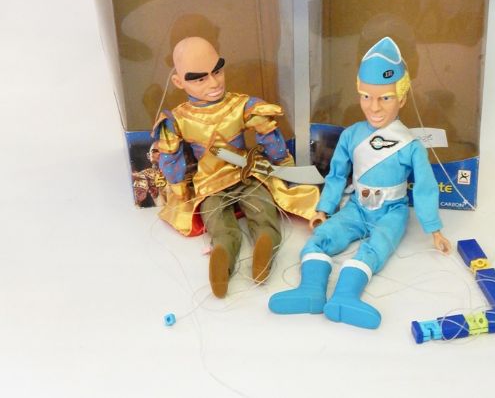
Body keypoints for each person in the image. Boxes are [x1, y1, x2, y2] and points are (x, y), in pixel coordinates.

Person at [269, 37, 451, 329]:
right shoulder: (352, 135)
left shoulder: (410, 145)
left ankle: (346, 298)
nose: (374, 107)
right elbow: (337, 174)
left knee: (375, 248)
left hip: (392, 211)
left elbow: (426, 187)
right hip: (356, 206)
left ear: (402, 98)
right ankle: (310, 290)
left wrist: (434, 229)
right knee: (323, 237)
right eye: (366, 96)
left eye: (385, 98)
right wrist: (325, 208)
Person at [153, 37, 319, 297]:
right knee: (220, 226)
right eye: (200, 79)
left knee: (262, 212)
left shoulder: (240, 105)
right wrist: (178, 188)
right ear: (178, 81)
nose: (214, 83)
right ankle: (222, 257)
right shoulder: (177, 120)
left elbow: (269, 136)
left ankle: (263, 246)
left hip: (246, 173)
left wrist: (283, 164)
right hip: (210, 185)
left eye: (217, 71)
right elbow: (170, 157)